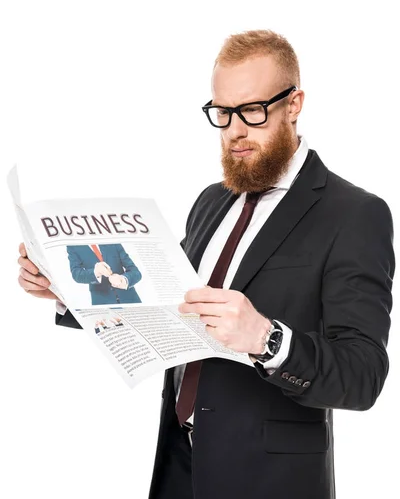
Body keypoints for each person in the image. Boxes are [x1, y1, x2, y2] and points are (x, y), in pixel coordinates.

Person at [17, 30, 395, 499]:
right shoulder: (212, 202)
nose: (235, 129)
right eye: (222, 113)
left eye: (253, 111)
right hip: (179, 463)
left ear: (294, 104)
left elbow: (363, 376)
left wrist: (265, 338)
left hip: (271, 481)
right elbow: (165, 306)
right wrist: (66, 293)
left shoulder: (354, 214)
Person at [66, 243, 142, 305]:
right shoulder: (73, 246)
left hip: (130, 300)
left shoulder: (111, 240)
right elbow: (76, 274)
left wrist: (124, 279)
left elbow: (135, 272)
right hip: (102, 303)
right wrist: (95, 272)